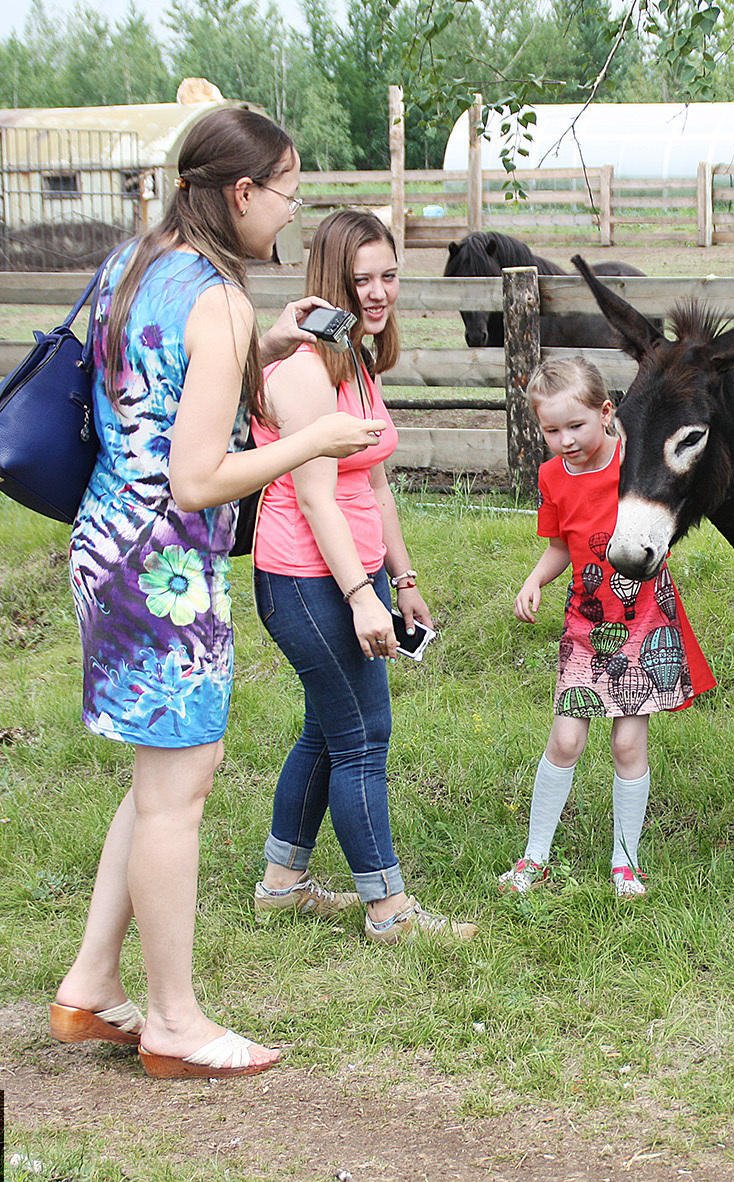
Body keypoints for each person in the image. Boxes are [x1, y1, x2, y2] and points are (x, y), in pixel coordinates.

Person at [49, 109, 391, 1080]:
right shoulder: (218, 298)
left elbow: (161, 403)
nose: (290, 214)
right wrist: (311, 443)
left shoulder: (139, 264)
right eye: (286, 191)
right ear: (241, 192)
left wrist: (268, 348)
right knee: (179, 795)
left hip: (107, 544)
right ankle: (173, 1020)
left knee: (156, 781)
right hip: (164, 570)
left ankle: (88, 986)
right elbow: (197, 477)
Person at [248, 208, 475, 944]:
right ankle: (390, 911)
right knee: (363, 736)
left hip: (351, 571)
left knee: (327, 726)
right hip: (305, 578)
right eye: (361, 279)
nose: (378, 293)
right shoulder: (309, 371)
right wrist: (357, 596)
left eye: (388, 275)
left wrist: (401, 582)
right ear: (331, 282)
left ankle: (282, 885)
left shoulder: (359, 362)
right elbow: (315, 496)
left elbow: (373, 485)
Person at [500, 357, 715, 898]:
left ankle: (625, 862)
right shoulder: (552, 477)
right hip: (586, 626)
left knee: (627, 745)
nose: (565, 440)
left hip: (643, 619)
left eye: (576, 426)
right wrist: (535, 580)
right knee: (566, 739)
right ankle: (534, 858)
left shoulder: (632, 460)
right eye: (551, 430)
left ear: (607, 414)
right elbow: (559, 546)